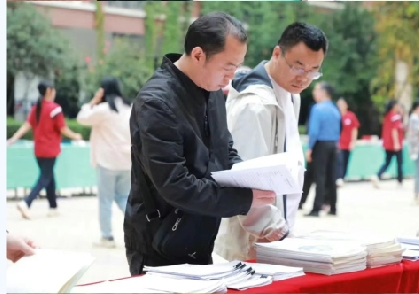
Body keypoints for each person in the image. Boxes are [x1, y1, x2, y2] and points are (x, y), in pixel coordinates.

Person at [123, 12, 276, 275]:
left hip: (199, 234)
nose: (231, 76)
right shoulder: (156, 103)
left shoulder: (212, 89)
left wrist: (250, 177)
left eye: (236, 67)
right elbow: (176, 185)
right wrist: (243, 200)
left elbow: (224, 147)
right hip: (159, 242)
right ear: (198, 55)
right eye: (227, 66)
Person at [215, 22, 327, 261]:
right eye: (298, 68)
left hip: (275, 236)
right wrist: (277, 230)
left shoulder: (290, 95)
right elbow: (245, 178)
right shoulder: (254, 105)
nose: (304, 78)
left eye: (313, 71)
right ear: (277, 53)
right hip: (248, 243)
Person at [7, 81, 82, 219]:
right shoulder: (55, 109)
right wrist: (76, 136)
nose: (54, 92)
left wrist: (13, 138)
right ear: (48, 91)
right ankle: (26, 202)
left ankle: (53, 207)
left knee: (49, 176)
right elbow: (62, 128)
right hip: (50, 149)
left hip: (39, 150)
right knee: (45, 178)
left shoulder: (36, 108)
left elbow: (26, 126)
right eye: (53, 90)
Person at [77, 77, 132, 249]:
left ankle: (107, 237)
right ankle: (141, 228)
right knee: (124, 198)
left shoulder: (103, 109)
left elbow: (82, 118)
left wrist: (92, 101)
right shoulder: (129, 108)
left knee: (105, 200)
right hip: (126, 161)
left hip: (107, 162)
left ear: (103, 90)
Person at [305, 82, 341, 217]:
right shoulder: (335, 109)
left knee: (319, 176)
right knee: (332, 176)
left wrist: (310, 148)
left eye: (316, 90)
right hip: (333, 144)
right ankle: (333, 207)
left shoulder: (317, 108)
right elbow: (338, 129)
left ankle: (316, 208)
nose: (314, 93)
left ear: (323, 92)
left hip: (320, 144)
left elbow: (314, 131)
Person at [372, 100, 404, 188]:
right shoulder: (396, 117)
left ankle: (377, 175)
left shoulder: (387, 116)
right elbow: (394, 130)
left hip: (388, 144)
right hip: (395, 144)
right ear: (394, 106)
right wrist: (397, 143)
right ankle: (400, 181)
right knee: (399, 163)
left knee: (387, 162)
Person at [336, 98, 360, 186]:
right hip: (339, 143)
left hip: (348, 143)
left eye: (342, 104)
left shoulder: (351, 115)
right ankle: (338, 178)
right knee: (339, 161)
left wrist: (353, 141)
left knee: (346, 161)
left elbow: (354, 129)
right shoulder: (336, 115)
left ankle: (343, 177)